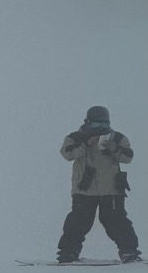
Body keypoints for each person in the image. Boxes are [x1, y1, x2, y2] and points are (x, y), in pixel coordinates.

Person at [57, 105, 139, 264]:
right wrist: (86, 144)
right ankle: (68, 253)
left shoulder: (117, 138)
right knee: (78, 221)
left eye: (104, 125)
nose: (100, 129)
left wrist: (114, 148)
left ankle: (129, 252)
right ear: (87, 122)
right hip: (84, 189)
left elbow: (128, 158)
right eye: (96, 125)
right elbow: (67, 154)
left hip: (112, 189)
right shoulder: (75, 138)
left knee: (116, 221)